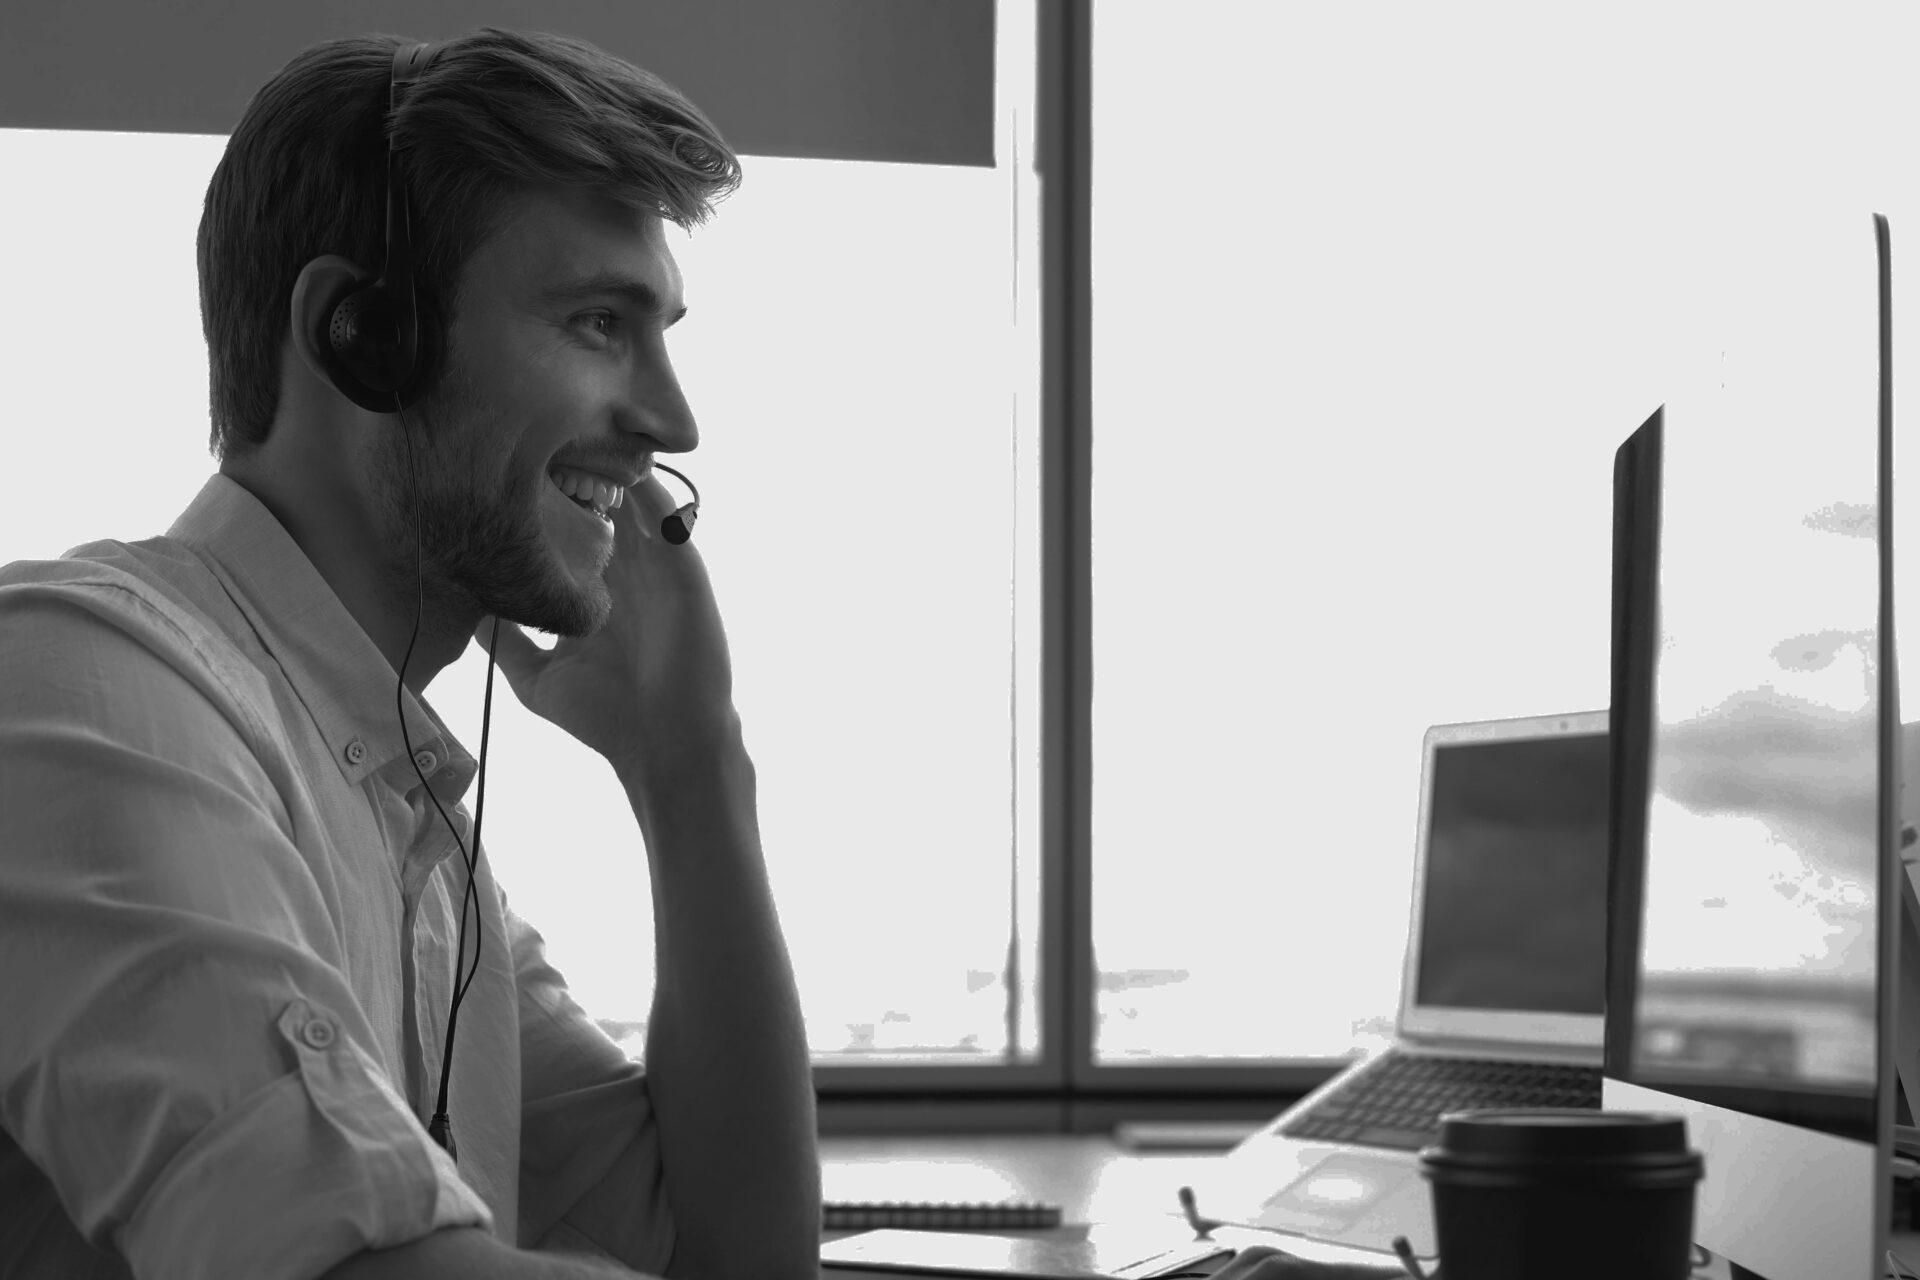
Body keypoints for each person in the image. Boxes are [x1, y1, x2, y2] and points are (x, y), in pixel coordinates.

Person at [0, 27, 816, 1280]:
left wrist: (692, 763)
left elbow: (738, 1251)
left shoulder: (423, 848)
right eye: (601, 321)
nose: (672, 419)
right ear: (360, 335)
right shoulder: (81, 687)